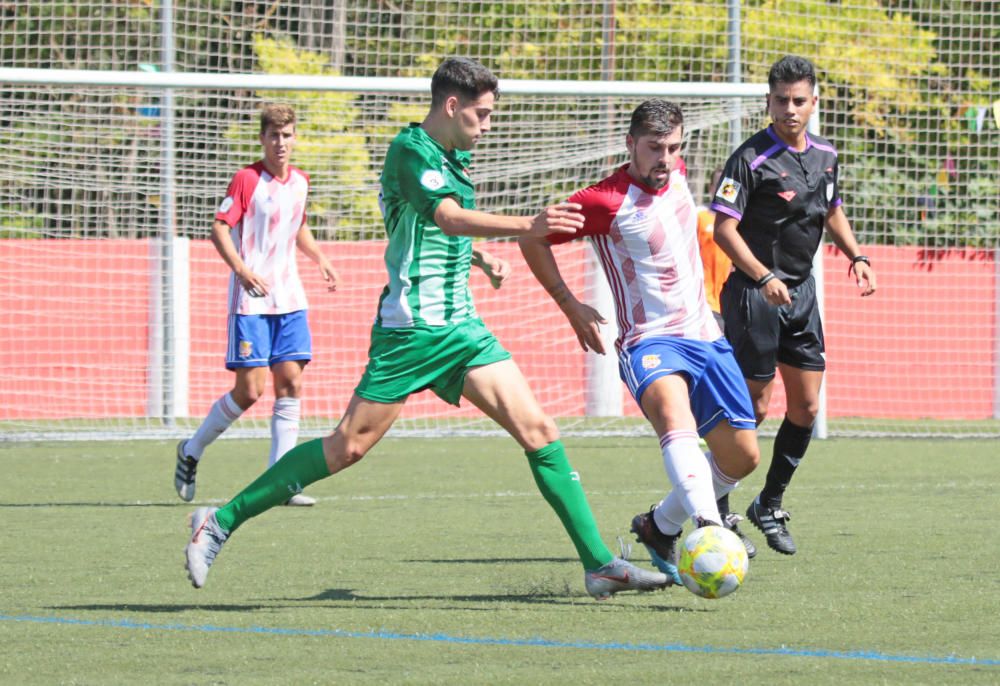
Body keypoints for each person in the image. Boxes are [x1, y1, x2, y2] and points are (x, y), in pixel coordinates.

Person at [183, 57, 669, 600]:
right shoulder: (410, 150)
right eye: (482, 115)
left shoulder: (454, 157)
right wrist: (525, 227)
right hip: (410, 332)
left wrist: (479, 258)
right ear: (452, 105)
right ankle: (219, 520)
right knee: (346, 447)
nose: (488, 125)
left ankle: (599, 564)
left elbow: (441, 232)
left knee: (540, 433)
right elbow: (444, 216)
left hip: (461, 328)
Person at [519, 99, 760, 583]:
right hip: (649, 340)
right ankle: (709, 529)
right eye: (653, 148)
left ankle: (659, 526)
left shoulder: (675, 171)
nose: (665, 159)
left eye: (673, 148)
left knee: (742, 457)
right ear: (630, 145)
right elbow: (533, 236)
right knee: (676, 418)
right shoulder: (602, 200)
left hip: (706, 335)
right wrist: (570, 305)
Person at [712, 55, 877, 555]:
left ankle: (769, 503)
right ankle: (713, 501)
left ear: (814, 102)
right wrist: (762, 277)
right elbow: (723, 228)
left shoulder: (827, 155)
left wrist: (857, 255)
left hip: (801, 296)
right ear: (768, 101)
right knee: (755, 406)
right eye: (781, 100)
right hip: (754, 295)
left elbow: (831, 210)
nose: (789, 109)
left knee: (805, 406)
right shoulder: (749, 158)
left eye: (799, 101)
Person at [174, 103, 338, 508]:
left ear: (295, 137)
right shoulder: (247, 180)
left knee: (292, 384)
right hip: (251, 301)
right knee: (250, 391)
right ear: (263, 138)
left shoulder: (301, 182)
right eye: (273, 136)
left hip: (291, 299)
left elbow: (298, 225)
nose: (280, 143)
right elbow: (219, 228)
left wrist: (319, 258)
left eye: (287, 135)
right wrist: (242, 270)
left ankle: (282, 482)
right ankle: (191, 450)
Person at [697, 168, 756, 558]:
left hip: (739, 315)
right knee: (713, 423)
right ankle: (714, 512)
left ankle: (715, 505)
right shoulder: (700, 220)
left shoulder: (747, 226)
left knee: (744, 417)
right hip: (703, 318)